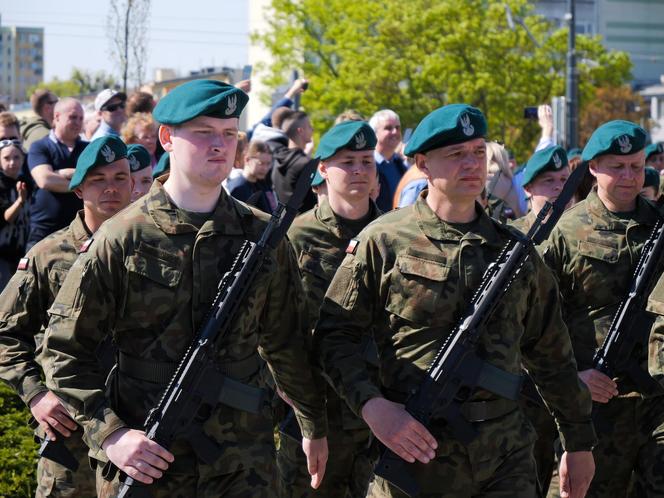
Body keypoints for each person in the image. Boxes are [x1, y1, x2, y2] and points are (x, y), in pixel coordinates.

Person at [39, 79, 328, 497]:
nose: (219, 145)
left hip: (242, 464)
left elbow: (287, 343)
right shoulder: (123, 237)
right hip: (148, 458)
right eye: (204, 132)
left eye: (229, 134)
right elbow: (63, 351)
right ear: (167, 138)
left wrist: (312, 424)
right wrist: (111, 435)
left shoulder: (263, 236)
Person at [314, 103, 596, 498]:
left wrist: (578, 441)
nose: (472, 164)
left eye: (479, 152)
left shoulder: (514, 251)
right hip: (414, 447)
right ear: (423, 165)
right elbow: (333, 336)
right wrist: (373, 408)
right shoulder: (384, 240)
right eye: (457, 155)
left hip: (504, 455)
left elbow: (551, 354)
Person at [0, 135, 133, 498]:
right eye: (98, 180)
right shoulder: (49, 255)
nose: (111, 189)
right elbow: (6, 334)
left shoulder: (153, 250)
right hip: (70, 427)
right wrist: (36, 395)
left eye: (120, 178)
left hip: (139, 424)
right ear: (78, 190)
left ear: (134, 184)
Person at [545, 120, 664, 497]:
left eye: (636, 165)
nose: (629, 176)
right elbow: (535, 324)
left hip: (656, 402)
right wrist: (573, 375)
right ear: (593, 167)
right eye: (617, 166)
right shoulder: (566, 232)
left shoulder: (658, 224)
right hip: (596, 409)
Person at [278, 121, 381, 498]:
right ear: (323, 169)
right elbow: (272, 324)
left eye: (366, 161)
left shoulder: (391, 233)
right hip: (315, 412)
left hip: (379, 409)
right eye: (347, 162)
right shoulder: (296, 236)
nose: (358, 171)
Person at [27, 98, 87, 250]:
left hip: (79, 232)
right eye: (73, 117)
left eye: (81, 118)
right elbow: (45, 180)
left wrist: (60, 173)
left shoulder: (88, 149)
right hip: (43, 232)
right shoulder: (40, 146)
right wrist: (82, 182)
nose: (78, 122)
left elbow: (95, 180)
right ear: (57, 117)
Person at [512, 146, 570, 233]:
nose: (560, 187)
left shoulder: (585, 229)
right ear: (528, 189)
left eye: (563, 179)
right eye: (549, 180)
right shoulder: (514, 233)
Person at [270, 110, 317, 213]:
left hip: (281, 222)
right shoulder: (306, 163)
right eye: (309, 126)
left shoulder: (277, 159)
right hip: (303, 224)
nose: (312, 129)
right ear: (300, 131)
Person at [0, 139, 29, 290]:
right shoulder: (1, 184)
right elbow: (6, 218)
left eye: (16, 157)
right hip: (3, 254)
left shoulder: (26, 181)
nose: (12, 162)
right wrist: (20, 200)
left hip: (22, 250)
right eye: (6, 158)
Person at [369, 109, 409, 212]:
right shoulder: (367, 166)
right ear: (374, 133)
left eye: (397, 128)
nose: (395, 132)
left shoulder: (401, 165)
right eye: (388, 128)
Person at [226, 140, 277, 214]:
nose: (265, 168)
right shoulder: (238, 187)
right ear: (247, 159)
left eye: (268, 164)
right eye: (261, 163)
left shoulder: (264, 184)